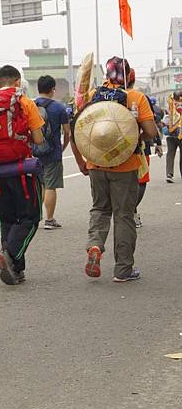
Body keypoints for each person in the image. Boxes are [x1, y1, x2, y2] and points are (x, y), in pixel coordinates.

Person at [71, 56, 157, 283]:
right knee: (123, 215)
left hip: (96, 163)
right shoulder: (135, 97)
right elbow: (150, 131)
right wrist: (135, 135)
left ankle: (95, 246)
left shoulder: (92, 96)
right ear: (128, 74)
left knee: (100, 208)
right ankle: (123, 270)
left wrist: (82, 160)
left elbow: (77, 127)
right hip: (125, 164)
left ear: (107, 74)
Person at [0, 65, 44, 285]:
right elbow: (38, 139)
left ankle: (15, 269)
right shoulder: (25, 102)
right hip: (21, 170)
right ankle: (10, 253)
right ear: (18, 82)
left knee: (7, 219)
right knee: (30, 218)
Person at [127, 71, 162, 228]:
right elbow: (150, 125)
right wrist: (157, 142)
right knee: (141, 181)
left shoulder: (106, 97)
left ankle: (128, 211)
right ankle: (131, 211)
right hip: (140, 148)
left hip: (112, 151)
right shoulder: (140, 97)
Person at [34, 75, 70, 230]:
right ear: (52, 89)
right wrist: (63, 146)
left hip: (34, 151)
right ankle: (49, 219)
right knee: (50, 186)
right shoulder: (59, 108)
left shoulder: (30, 106)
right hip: (52, 152)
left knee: (40, 185)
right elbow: (67, 132)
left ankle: (35, 219)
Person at [163, 92, 182, 183]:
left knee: (170, 154)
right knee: (171, 154)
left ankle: (169, 174)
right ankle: (169, 174)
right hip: (175, 134)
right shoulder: (172, 104)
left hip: (172, 133)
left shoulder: (171, 104)